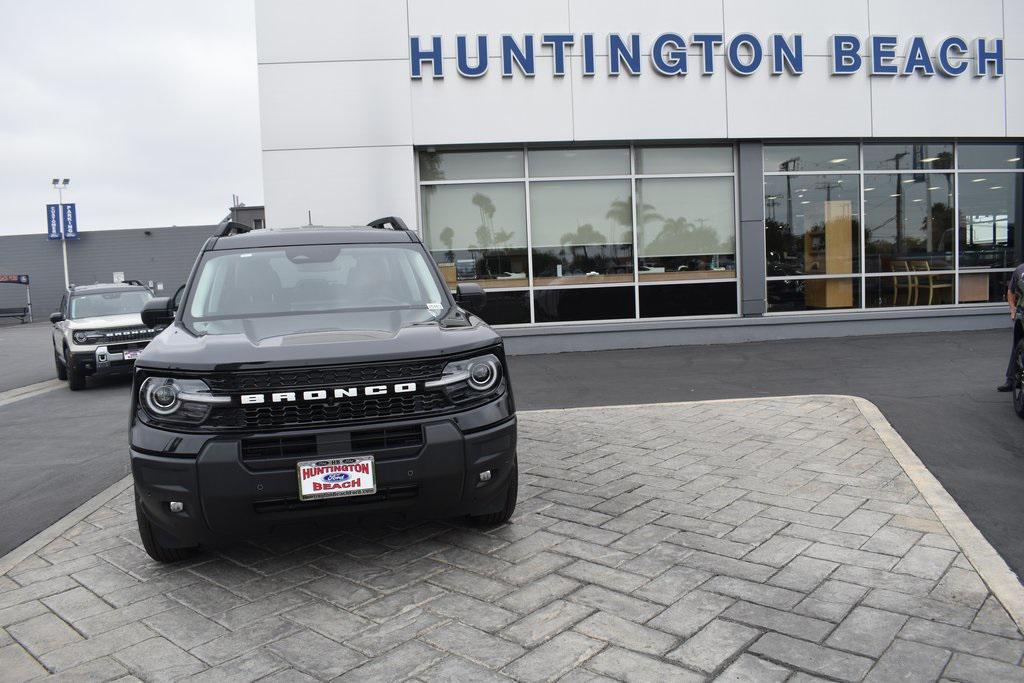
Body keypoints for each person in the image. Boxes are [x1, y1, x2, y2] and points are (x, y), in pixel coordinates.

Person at [997, 262, 1024, 391]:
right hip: (1022, 314)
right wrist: (1012, 309)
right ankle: (1011, 380)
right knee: (1018, 346)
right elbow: (1010, 291)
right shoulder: (1020, 270)